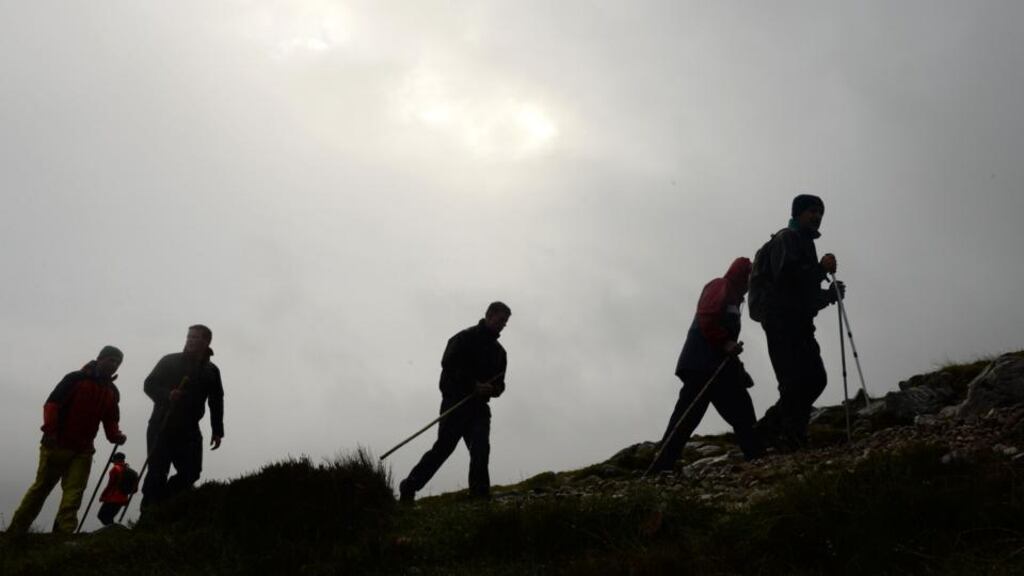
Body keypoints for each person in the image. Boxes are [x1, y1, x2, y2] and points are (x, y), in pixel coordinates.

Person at [649, 258, 763, 473]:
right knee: (689, 417)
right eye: (749, 275)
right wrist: (725, 342)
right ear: (743, 274)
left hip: (716, 368)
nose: (751, 281)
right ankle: (660, 466)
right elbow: (707, 317)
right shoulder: (721, 286)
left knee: (739, 412)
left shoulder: (735, 298)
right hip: (702, 366)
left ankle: (756, 456)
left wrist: (738, 369)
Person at [753, 194, 845, 451]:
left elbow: (803, 294)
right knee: (795, 381)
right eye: (812, 211)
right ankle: (784, 437)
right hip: (781, 321)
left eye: (820, 213)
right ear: (798, 213)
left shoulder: (803, 242)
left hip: (798, 322)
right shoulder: (787, 238)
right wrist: (821, 269)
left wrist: (827, 295)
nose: (817, 217)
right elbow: (788, 280)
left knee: (814, 379)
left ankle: (771, 432)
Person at [399, 302, 510, 503]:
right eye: (501, 320)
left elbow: (501, 383)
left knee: (480, 449)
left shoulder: (500, 353)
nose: (503, 325)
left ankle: (480, 496)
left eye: (505, 322)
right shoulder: (464, 338)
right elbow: (448, 365)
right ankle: (409, 486)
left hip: (479, 409)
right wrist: (472, 384)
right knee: (443, 449)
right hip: (455, 404)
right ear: (489, 315)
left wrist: (492, 390)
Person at [8, 346, 127, 534]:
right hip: (57, 443)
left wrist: (115, 436)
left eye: (118, 362)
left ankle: (64, 533)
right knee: (41, 489)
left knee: (75, 492)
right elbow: (52, 405)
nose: (114, 365)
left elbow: (111, 419)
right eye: (111, 360)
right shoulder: (75, 379)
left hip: (84, 449)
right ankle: (16, 530)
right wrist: (50, 432)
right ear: (100, 358)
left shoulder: (112, 391)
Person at [140, 325, 224, 510]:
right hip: (162, 423)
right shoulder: (170, 360)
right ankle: (147, 516)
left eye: (195, 337)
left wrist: (217, 430)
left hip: (189, 429)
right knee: (157, 471)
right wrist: (167, 395)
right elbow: (149, 384)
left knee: (192, 472)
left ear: (206, 341)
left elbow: (216, 400)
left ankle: (162, 503)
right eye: (189, 336)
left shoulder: (212, 370)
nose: (190, 340)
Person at [97, 453, 136, 525]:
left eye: (114, 460)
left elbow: (110, 485)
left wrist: (103, 496)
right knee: (109, 517)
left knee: (102, 516)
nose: (113, 463)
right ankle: (112, 532)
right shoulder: (128, 470)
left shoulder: (115, 469)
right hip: (123, 499)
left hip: (113, 498)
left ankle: (113, 532)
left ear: (116, 459)